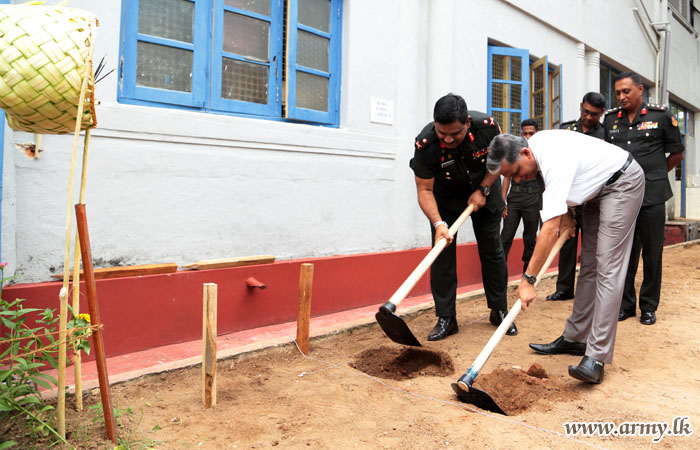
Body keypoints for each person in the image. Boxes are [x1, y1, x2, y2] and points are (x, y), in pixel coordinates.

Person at [487, 130, 644, 384]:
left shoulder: (552, 158)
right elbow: (563, 185)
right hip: (594, 188)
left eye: (514, 172)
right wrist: (569, 214)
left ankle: (596, 357)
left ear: (525, 153)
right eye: (509, 177)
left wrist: (528, 280)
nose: (516, 180)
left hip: (621, 183)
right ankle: (576, 338)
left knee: (608, 268)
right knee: (590, 265)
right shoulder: (535, 150)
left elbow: (548, 229)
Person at [409, 93, 516, 341]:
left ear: (467, 123)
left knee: (492, 249)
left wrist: (484, 189)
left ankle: (499, 309)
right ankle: (447, 317)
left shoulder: (487, 128)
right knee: (442, 251)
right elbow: (424, 190)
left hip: (485, 188)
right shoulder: (425, 144)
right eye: (441, 132)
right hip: (445, 198)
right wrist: (438, 224)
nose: (447, 139)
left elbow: (498, 162)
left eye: (454, 133)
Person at [603, 72, 684, 326]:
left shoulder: (661, 116)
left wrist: (656, 175)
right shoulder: (610, 120)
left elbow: (677, 153)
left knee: (652, 253)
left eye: (626, 91)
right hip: (622, 197)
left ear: (640, 89)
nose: (621, 96)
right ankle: (626, 305)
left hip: (652, 195)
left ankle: (648, 306)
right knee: (624, 253)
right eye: (617, 92)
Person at [547, 92, 606, 301]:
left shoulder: (605, 134)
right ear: (580, 106)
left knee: (592, 245)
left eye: (594, 115)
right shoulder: (566, 130)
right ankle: (564, 288)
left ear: (602, 113)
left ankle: (589, 289)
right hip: (569, 196)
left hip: (592, 198)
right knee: (566, 241)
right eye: (586, 112)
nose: (589, 117)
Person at [500, 119, 540, 276]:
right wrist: (503, 201)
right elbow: (507, 178)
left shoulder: (539, 152)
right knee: (506, 237)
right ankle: (499, 274)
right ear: (521, 133)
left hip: (533, 199)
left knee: (530, 239)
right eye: (526, 133)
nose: (528, 136)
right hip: (514, 198)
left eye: (532, 133)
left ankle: (527, 274)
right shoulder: (514, 151)